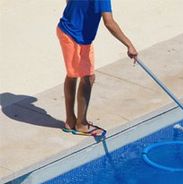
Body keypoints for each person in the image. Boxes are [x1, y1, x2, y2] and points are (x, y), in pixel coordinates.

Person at [57, 0, 138, 137]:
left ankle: (70, 121)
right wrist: (129, 45)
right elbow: (109, 22)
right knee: (88, 77)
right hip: (76, 37)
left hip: (67, 30)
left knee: (72, 74)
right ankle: (81, 124)